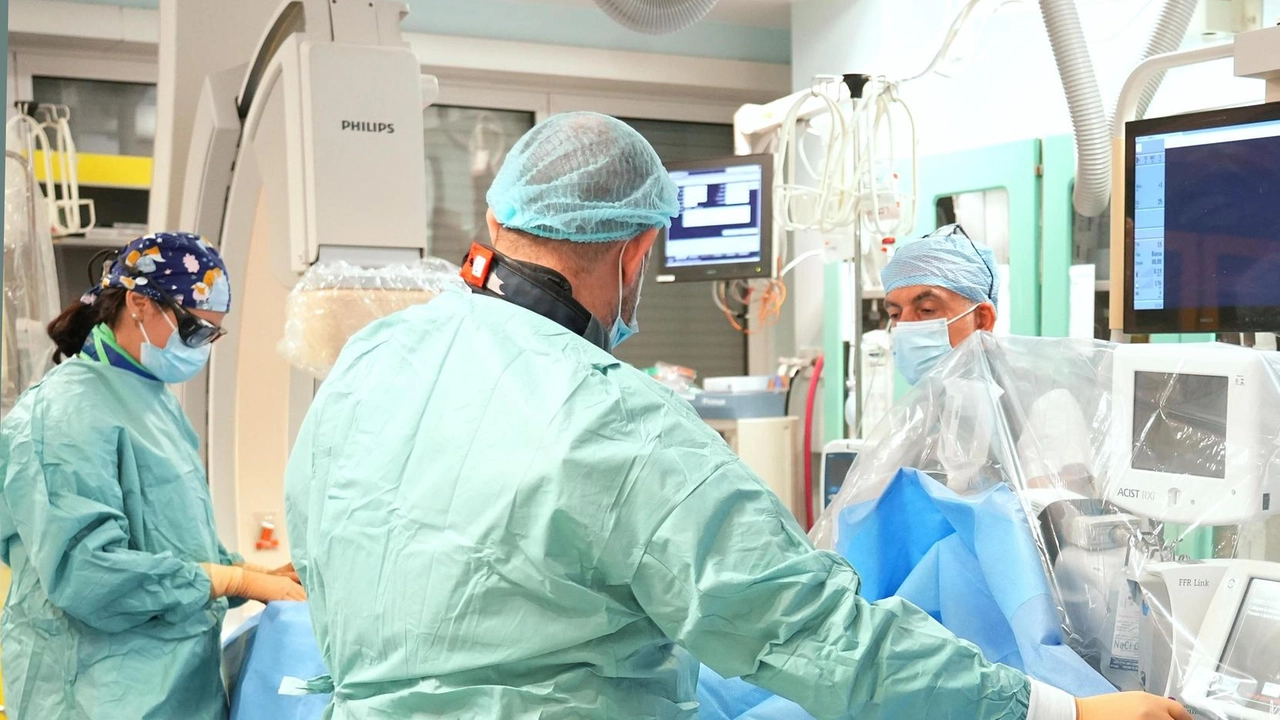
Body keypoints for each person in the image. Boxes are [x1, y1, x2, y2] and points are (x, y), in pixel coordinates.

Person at [284, 112, 1189, 720]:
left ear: (499, 217)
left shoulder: (369, 367)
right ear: (638, 250)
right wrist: (1055, 708)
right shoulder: (611, 423)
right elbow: (805, 630)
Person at [0, 232, 306, 720]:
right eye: (195, 330)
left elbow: (171, 540)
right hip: (95, 694)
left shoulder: (152, 400)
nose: (202, 348)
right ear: (139, 303)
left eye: (213, 335)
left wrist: (247, 573)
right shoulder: (63, 415)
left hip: (171, 687)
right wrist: (227, 580)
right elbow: (87, 575)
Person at [882, 223, 999, 385]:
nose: (905, 326)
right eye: (895, 314)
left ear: (982, 320)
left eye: (926, 310)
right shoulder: (922, 407)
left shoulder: (1033, 405)